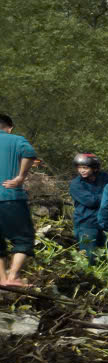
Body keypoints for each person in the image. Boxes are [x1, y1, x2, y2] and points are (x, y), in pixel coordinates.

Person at [0, 115, 34, 289]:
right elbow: (29, 153)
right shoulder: (16, 140)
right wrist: (20, 177)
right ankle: (12, 276)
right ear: (10, 127)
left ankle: (1, 278)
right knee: (24, 238)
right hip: (9, 197)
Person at [67, 151, 108, 259]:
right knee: (89, 257)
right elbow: (92, 202)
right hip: (86, 224)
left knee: (105, 256)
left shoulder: (104, 178)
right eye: (79, 167)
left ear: (94, 168)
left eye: (85, 167)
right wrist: (107, 196)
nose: (81, 170)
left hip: (104, 223)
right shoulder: (76, 185)